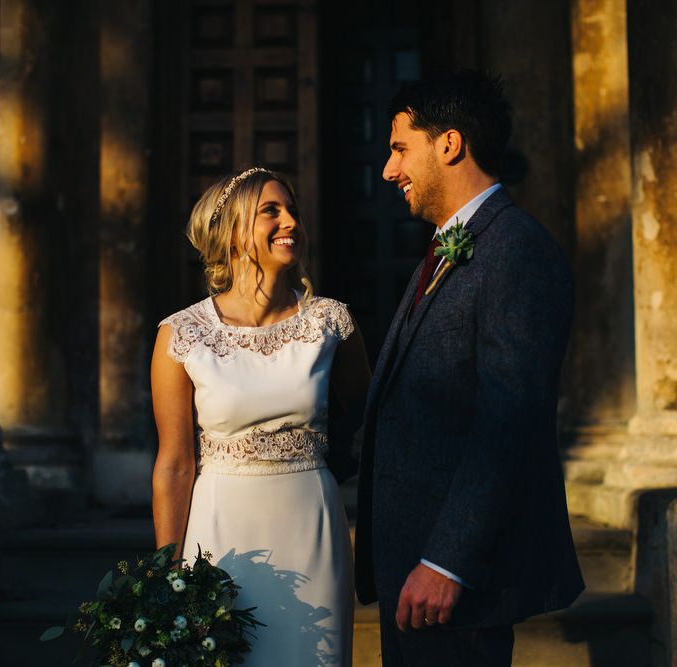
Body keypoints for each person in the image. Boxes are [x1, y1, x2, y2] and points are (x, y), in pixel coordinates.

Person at [354, 70, 585, 666]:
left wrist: (446, 560)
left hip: (450, 582)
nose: (388, 170)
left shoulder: (515, 249)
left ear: (449, 144)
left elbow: (509, 420)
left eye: (400, 148)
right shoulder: (449, 243)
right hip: (412, 571)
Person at [151, 167, 370, 666]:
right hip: (221, 532)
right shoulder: (181, 335)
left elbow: (370, 414)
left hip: (312, 527)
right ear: (230, 231)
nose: (290, 220)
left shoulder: (331, 322)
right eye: (271, 210)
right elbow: (175, 464)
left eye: (291, 209)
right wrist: (165, 575)